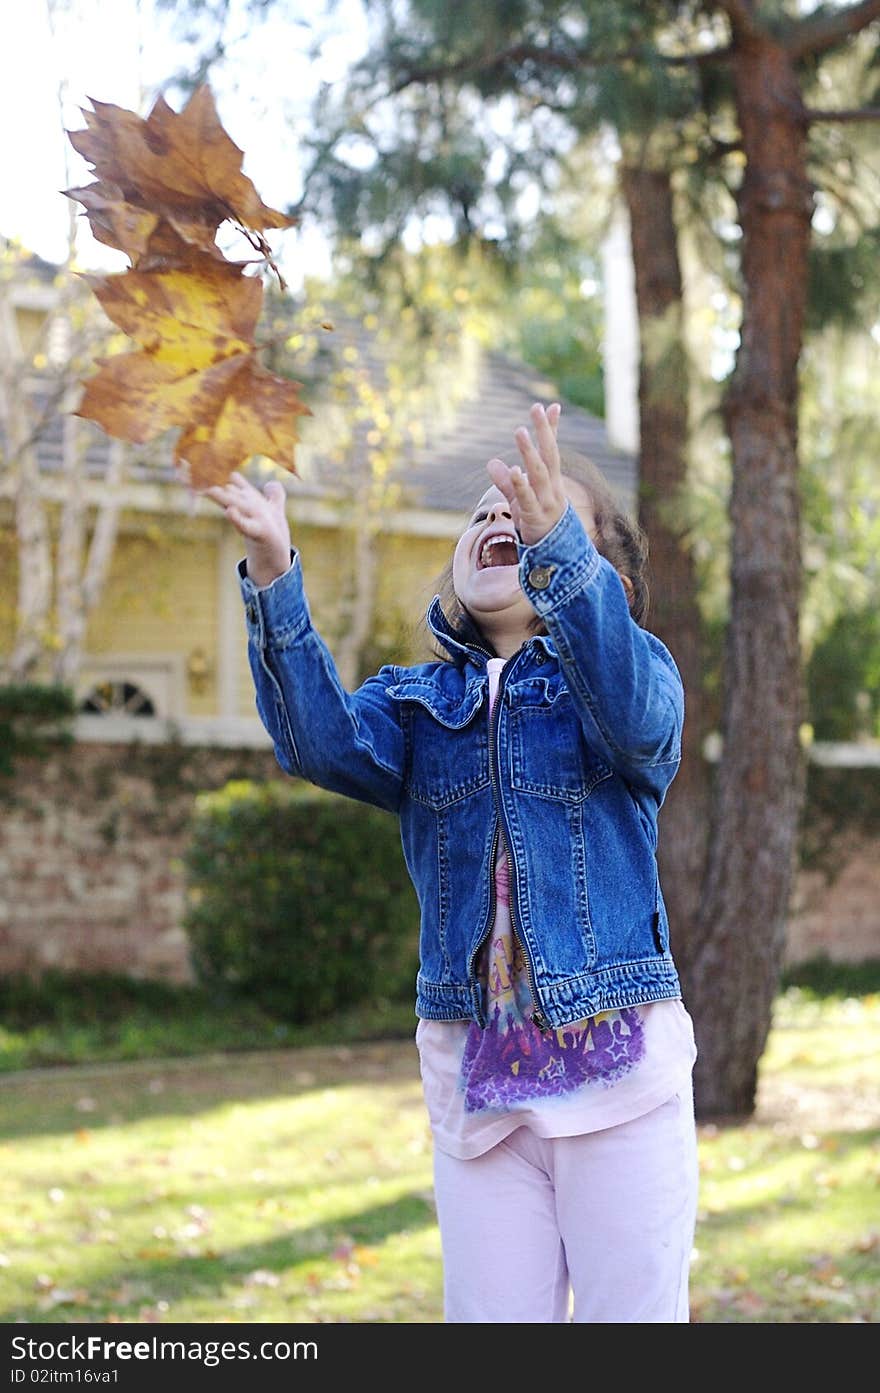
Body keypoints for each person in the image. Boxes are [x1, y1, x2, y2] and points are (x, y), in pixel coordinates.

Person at [205, 401, 699, 1324]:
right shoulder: (418, 700)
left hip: (620, 1079)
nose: (499, 518)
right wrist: (275, 576)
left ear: (604, 575)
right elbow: (320, 741)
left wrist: (560, 557)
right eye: (482, 514)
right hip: (481, 1086)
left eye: (535, 509)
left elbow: (636, 713)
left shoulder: (636, 680)